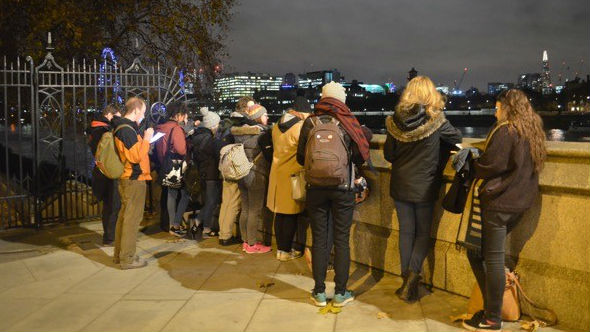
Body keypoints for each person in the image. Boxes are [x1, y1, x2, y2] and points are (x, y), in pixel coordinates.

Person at [463, 89, 546, 331]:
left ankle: (492, 318)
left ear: (507, 108)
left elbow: (491, 165)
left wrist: (472, 161)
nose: (495, 112)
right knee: (479, 252)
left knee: (492, 257)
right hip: (520, 202)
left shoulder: (507, 130)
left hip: (500, 202)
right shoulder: (531, 130)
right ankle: (491, 308)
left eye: (498, 107)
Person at [383, 76, 462, 303]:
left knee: (406, 232)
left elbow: (389, 155)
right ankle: (412, 279)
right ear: (431, 94)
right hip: (425, 186)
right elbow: (457, 137)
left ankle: (405, 277)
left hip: (400, 185)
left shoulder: (394, 121)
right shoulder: (436, 120)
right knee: (422, 234)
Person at [297, 81, 370, 307]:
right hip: (343, 189)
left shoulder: (310, 122)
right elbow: (360, 156)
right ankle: (340, 293)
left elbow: (301, 157)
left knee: (319, 240)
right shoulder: (347, 121)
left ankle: (319, 292)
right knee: (341, 240)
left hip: (316, 189)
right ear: (341, 99)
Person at [267, 96, 311, 261]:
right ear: (302, 113)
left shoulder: (276, 126)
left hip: (277, 174)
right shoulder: (300, 128)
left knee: (279, 214)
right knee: (291, 215)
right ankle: (285, 251)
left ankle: (281, 250)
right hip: (293, 176)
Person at [113, 97, 153, 269]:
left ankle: (120, 255)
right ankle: (127, 258)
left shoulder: (121, 128)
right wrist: (147, 138)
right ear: (136, 111)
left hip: (127, 178)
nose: (143, 116)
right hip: (134, 179)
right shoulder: (127, 130)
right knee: (132, 219)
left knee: (124, 218)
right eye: (143, 112)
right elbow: (135, 156)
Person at [232, 103, 272, 254]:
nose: (267, 117)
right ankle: (252, 244)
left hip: (242, 173)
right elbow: (268, 156)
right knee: (255, 210)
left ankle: (245, 241)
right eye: (265, 114)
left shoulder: (240, 133)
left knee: (246, 208)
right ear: (258, 117)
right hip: (256, 173)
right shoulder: (262, 134)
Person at [217, 97, 257, 245]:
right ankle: (226, 236)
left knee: (226, 202)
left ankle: (223, 233)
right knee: (234, 203)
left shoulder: (227, 122)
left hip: (225, 166)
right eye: (252, 107)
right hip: (236, 167)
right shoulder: (244, 124)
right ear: (246, 109)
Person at [88, 104, 122, 246]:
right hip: (110, 171)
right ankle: (110, 237)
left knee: (108, 206)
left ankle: (109, 235)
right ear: (109, 115)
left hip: (100, 171)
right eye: (117, 118)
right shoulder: (104, 130)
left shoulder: (94, 129)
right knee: (113, 205)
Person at [155, 102, 190, 237]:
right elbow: (181, 149)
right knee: (185, 194)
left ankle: (172, 224)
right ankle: (174, 224)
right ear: (179, 115)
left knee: (171, 195)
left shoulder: (161, 128)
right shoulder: (176, 129)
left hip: (165, 163)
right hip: (176, 164)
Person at [190, 107, 223, 238]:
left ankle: (200, 223)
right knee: (211, 201)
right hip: (211, 173)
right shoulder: (211, 140)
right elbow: (218, 155)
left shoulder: (197, 136)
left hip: (201, 172)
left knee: (208, 200)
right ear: (213, 125)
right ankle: (204, 226)